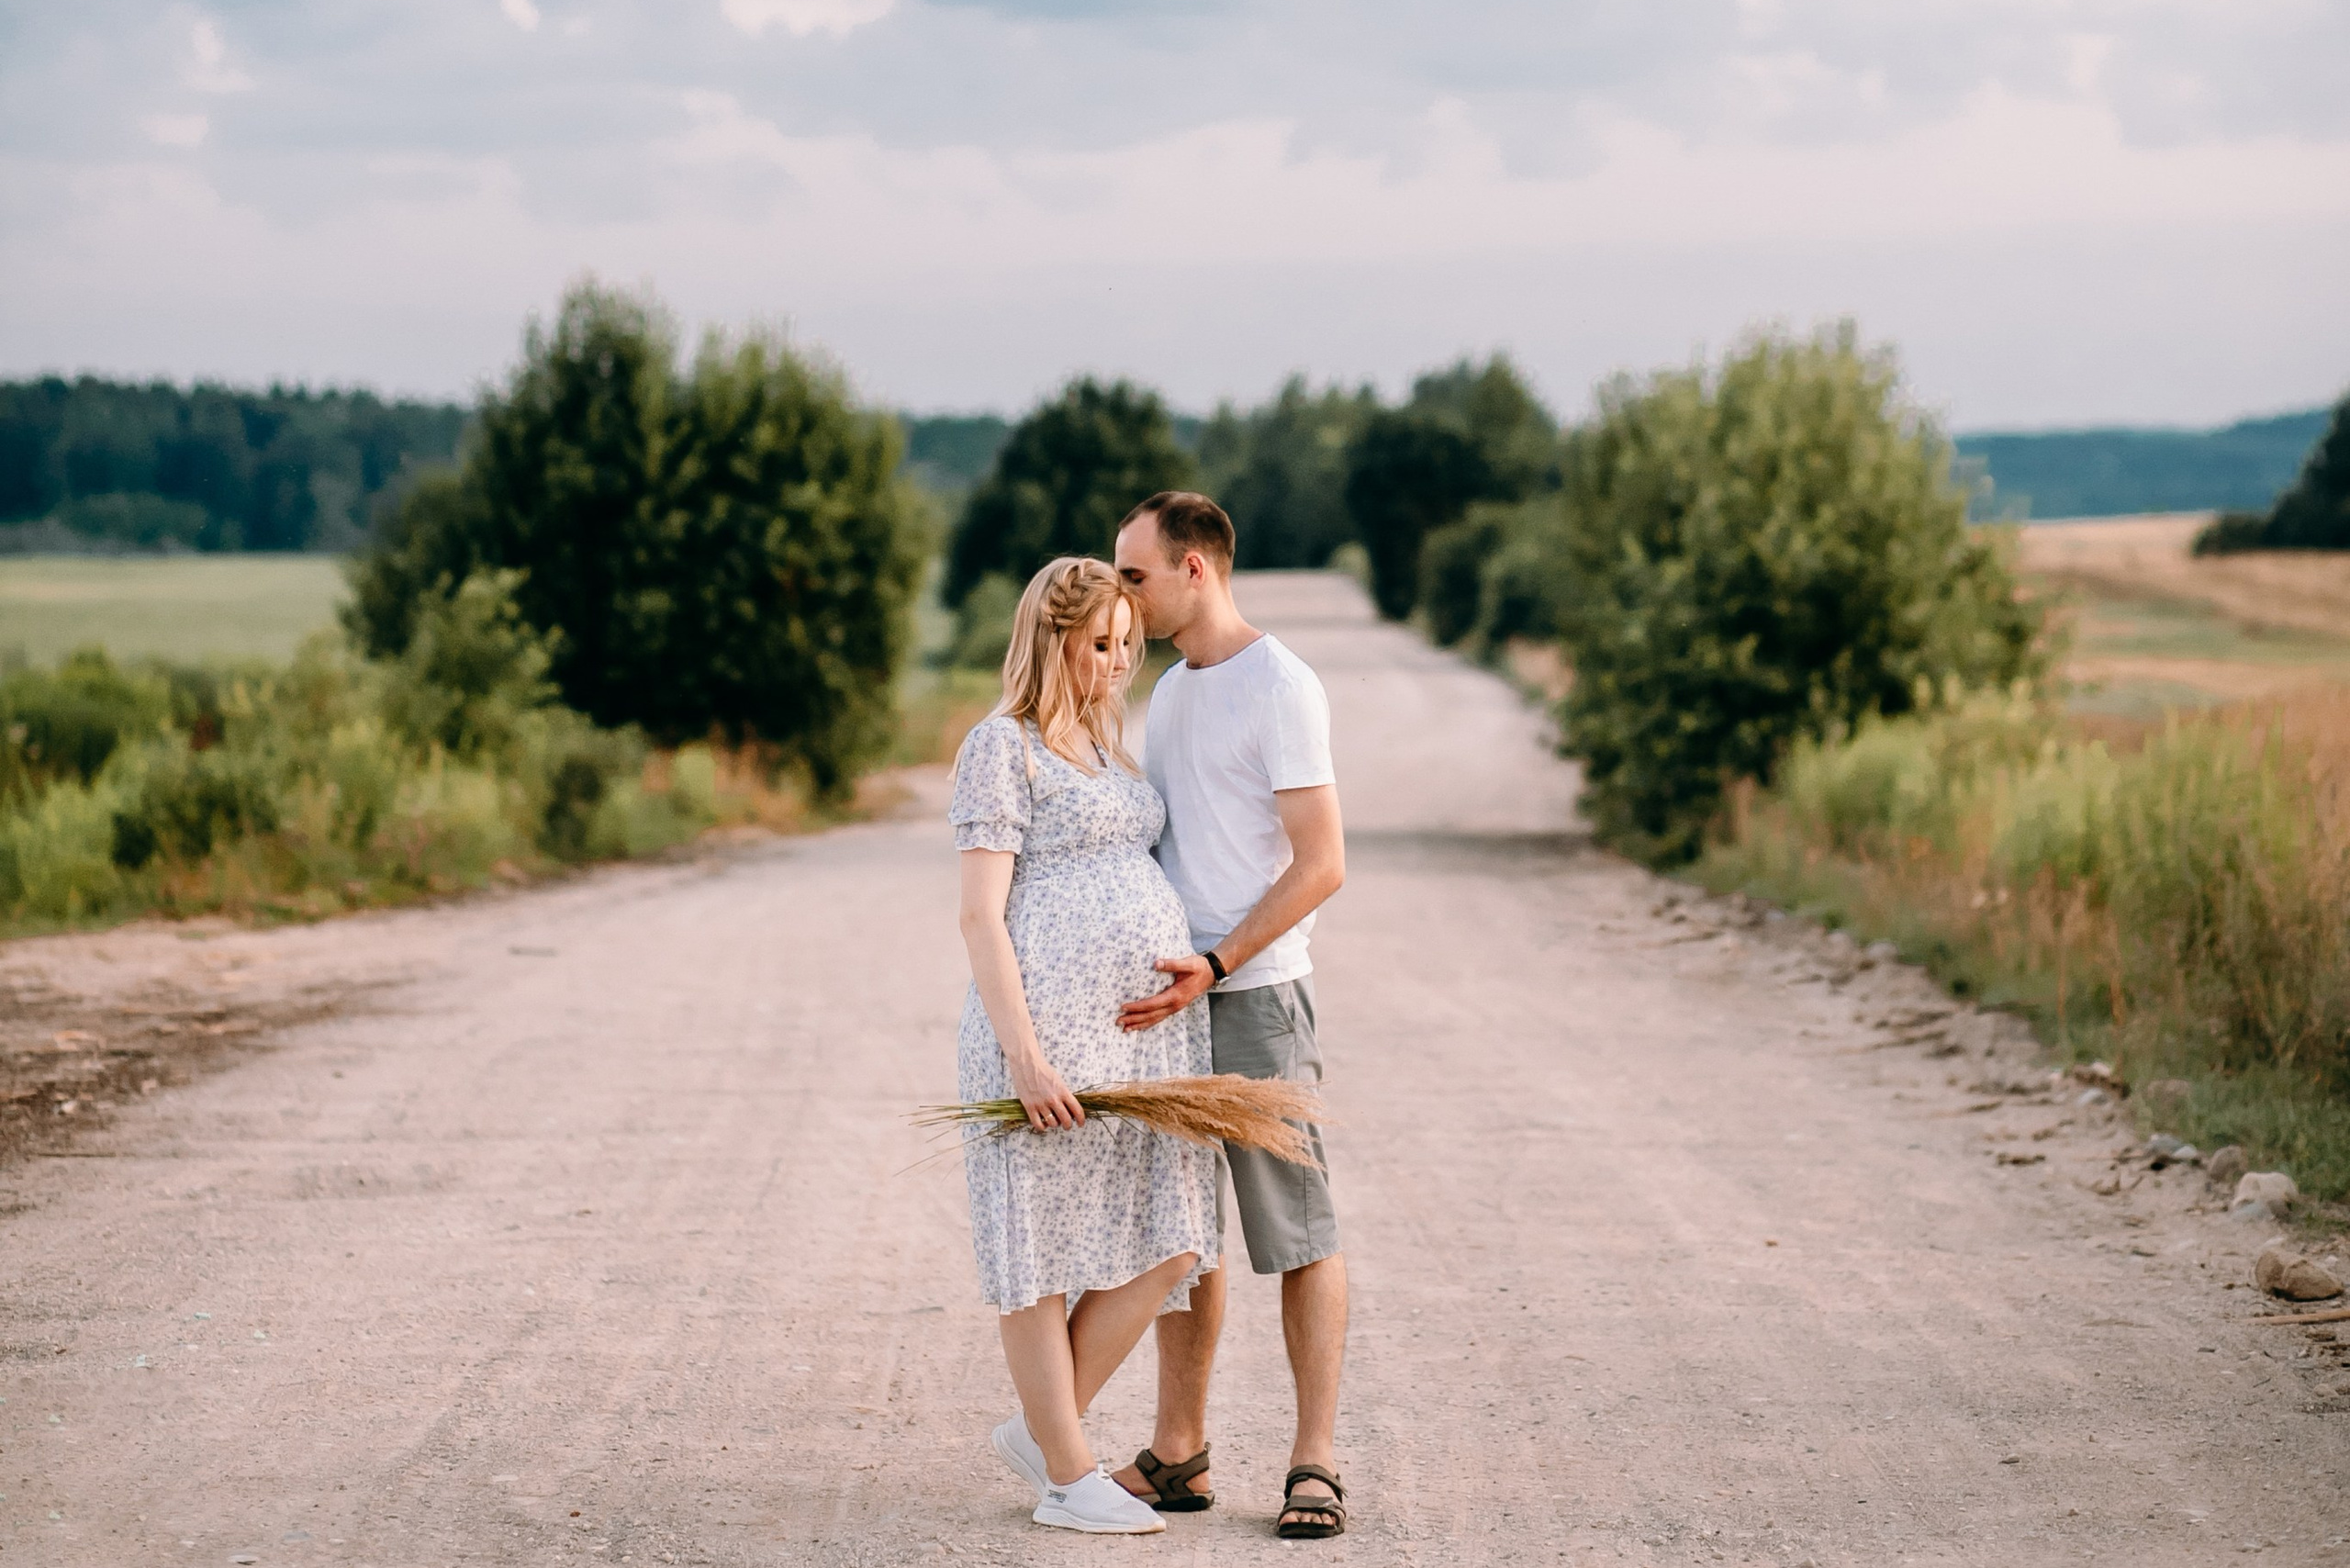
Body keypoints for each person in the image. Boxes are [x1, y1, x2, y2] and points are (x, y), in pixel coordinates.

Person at [948, 555, 1221, 1536]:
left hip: (1141, 1047)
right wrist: (1024, 1056)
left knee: (1172, 1239)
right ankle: (1068, 1474)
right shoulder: (1002, 746)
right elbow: (981, 915)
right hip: (1044, 1037)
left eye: (1125, 644)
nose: (1115, 663)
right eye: (1097, 643)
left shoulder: (1108, 745)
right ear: (1050, 637)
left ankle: (1043, 1431)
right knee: (1039, 1252)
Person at [1109, 490, 1352, 1540]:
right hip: (1173, 1006)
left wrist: (1218, 960)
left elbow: (1322, 863)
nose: (1122, 593)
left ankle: (1315, 1462)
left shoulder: (1280, 685)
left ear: (1194, 568)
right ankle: (1179, 1453)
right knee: (1186, 1237)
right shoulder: (1167, 693)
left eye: (1134, 574)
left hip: (1255, 996)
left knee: (1296, 1231)